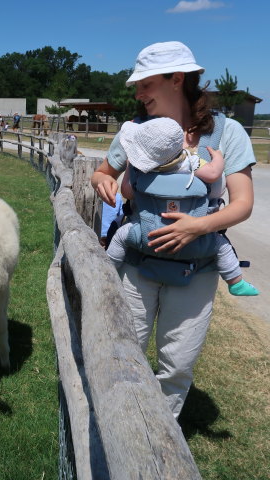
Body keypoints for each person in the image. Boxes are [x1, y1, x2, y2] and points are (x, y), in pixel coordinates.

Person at [90, 41, 255, 419]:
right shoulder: (134, 132)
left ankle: (163, 443)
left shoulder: (226, 133)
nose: (138, 93)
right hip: (136, 263)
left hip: (196, 270)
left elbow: (243, 203)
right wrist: (102, 181)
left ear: (176, 79)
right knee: (124, 348)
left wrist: (199, 227)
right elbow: (103, 171)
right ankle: (123, 427)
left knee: (177, 365)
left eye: (145, 84)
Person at [106, 117, 258, 296]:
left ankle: (107, 269)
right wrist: (217, 158)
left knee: (120, 237)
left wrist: (131, 165)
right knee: (220, 245)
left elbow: (128, 192)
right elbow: (213, 174)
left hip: (147, 234)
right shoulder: (189, 162)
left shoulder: (143, 169)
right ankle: (235, 281)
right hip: (196, 239)